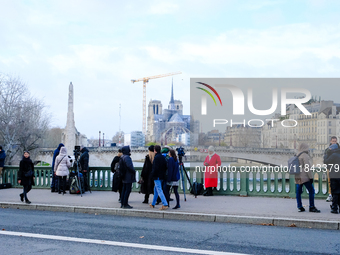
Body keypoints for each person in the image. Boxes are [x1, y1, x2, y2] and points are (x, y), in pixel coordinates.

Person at [295, 143, 320, 213]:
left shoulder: (297, 155)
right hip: (304, 176)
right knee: (311, 190)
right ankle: (311, 206)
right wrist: (311, 177)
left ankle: (299, 206)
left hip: (297, 176)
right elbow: (307, 167)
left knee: (298, 192)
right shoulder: (304, 155)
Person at [150, 145, 169, 210]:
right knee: (156, 190)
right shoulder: (162, 157)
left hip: (157, 176)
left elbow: (155, 168)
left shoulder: (156, 157)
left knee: (159, 190)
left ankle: (165, 204)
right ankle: (153, 203)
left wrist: (152, 175)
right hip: (162, 176)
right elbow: (165, 166)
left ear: (155, 150)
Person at [323, 143, 340, 213]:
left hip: (334, 175)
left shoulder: (333, 155)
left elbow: (326, 162)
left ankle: (334, 208)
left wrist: (326, 155)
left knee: (335, 192)